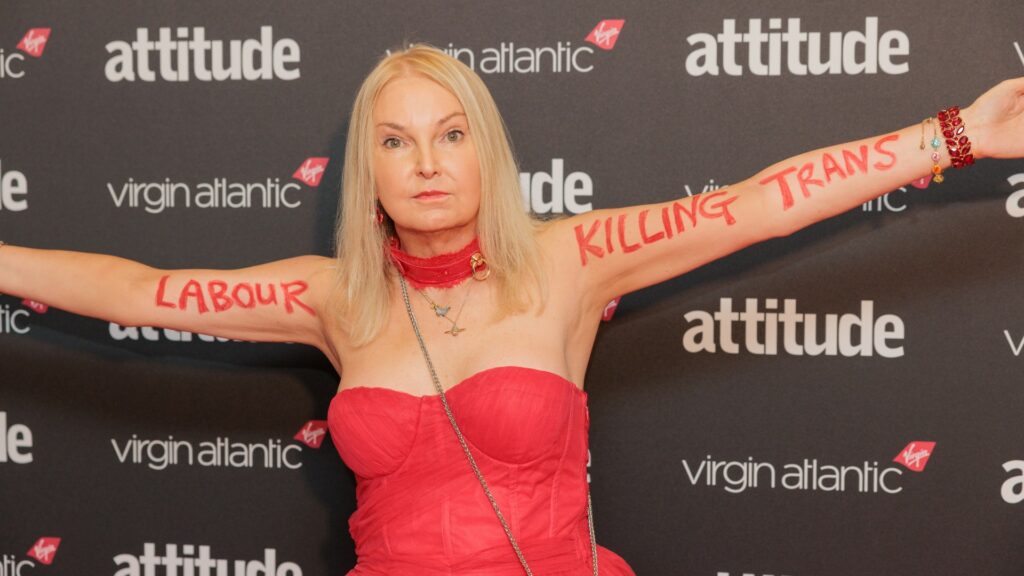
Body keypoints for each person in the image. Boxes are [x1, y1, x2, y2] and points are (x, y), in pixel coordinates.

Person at [2, 44, 1023, 575]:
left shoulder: (567, 261)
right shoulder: (333, 299)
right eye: (396, 142)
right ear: (368, 170)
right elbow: (138, 291)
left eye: (449, 135)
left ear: (484, 149)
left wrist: (954, 135)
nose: (426, 164)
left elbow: (753, 207)